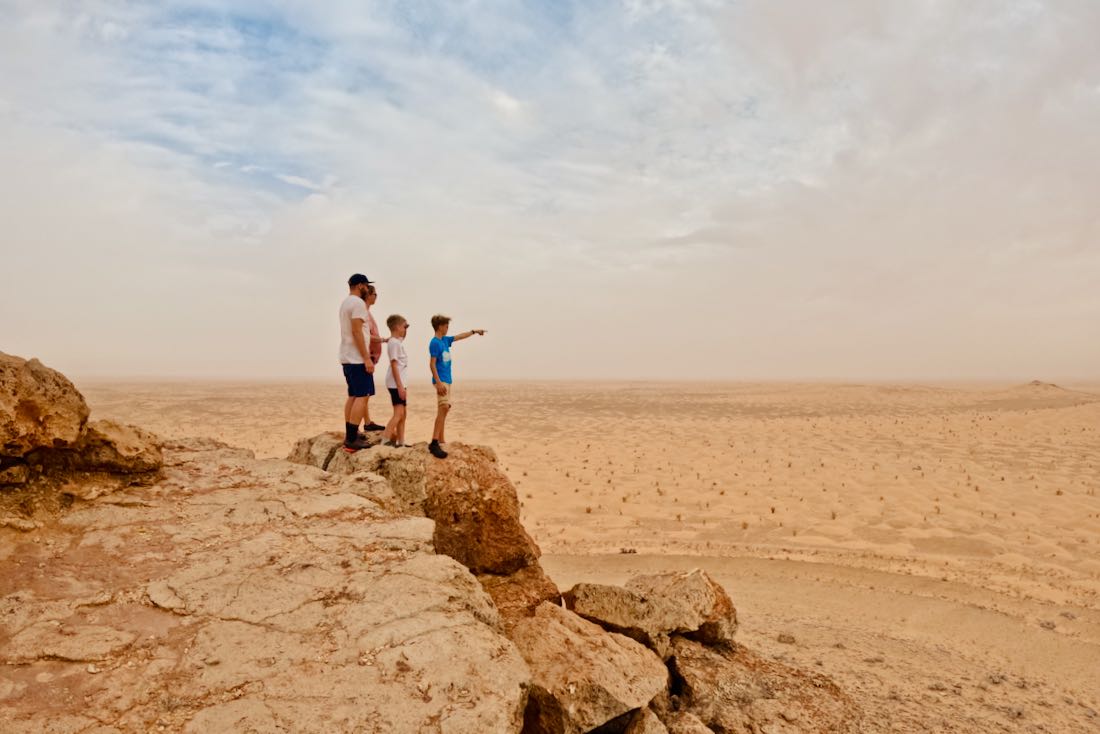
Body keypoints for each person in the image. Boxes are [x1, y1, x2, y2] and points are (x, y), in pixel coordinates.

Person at [428, 314, 486, 459]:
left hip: (448, 380)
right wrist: (438, 382)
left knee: (444, 409)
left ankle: (441, 439)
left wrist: (474, 332)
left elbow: (460, 337)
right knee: (444, 407)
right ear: (440, 327)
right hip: (441, 380)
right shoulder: (435, 343)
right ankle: (434, 443)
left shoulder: (445, 340)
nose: (448, 328)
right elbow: (432, 364)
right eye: (446, 326)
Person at [338, 274, 375, 450]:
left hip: (346, 357)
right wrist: (366, 358)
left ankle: (350, 433)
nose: (367, 289)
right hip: (357, 358)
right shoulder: (358, 303)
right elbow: (357, 331)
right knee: (363, 395)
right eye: (366, 286)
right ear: (360, 285)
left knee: (353, 395)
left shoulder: (345, 303)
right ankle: (352, 439)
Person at [361, 284, 387, 432]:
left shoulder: (367, 313)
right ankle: (363, 424)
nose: (376, 296)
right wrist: (384, 340)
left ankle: (367, 422)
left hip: (369, 357)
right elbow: (366, 336)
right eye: (375, 294)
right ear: (368, 295)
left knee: (365, 394)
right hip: (366, 358)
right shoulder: (363, 313)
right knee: (363, 394)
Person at [381, 314, 409, 448]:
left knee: (403, 414)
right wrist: (400, 387)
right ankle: (385, 440)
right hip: (395, 383)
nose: (405, 329)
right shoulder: (393, 343)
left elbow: (403, 336)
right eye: (404, 326)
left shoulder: (396, 342)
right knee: (398, 414)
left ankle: (401, 442)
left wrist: (406, 327)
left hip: (400, 383)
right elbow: (394, 364)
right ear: (397, 327)